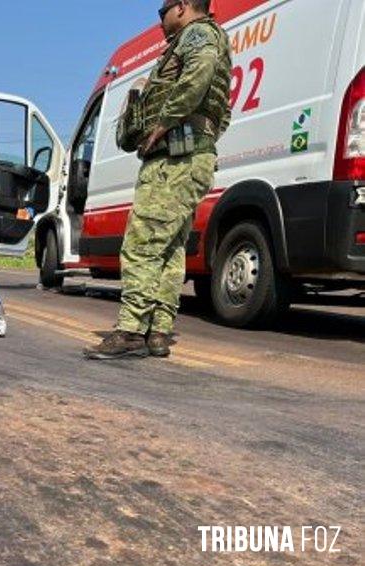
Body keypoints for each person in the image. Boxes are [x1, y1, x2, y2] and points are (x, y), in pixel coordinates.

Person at [85, 0, 232, 360]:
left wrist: (165, 123)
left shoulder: (197, 35)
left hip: (175, 159)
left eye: (162, 11)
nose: (161, 20)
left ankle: (131, 330)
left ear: (181, 6)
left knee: (143, 244)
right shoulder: (204, 39)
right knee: (169, 249)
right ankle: (158, 332)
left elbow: (199, 73)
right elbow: (221, 112)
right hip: (189, 157)